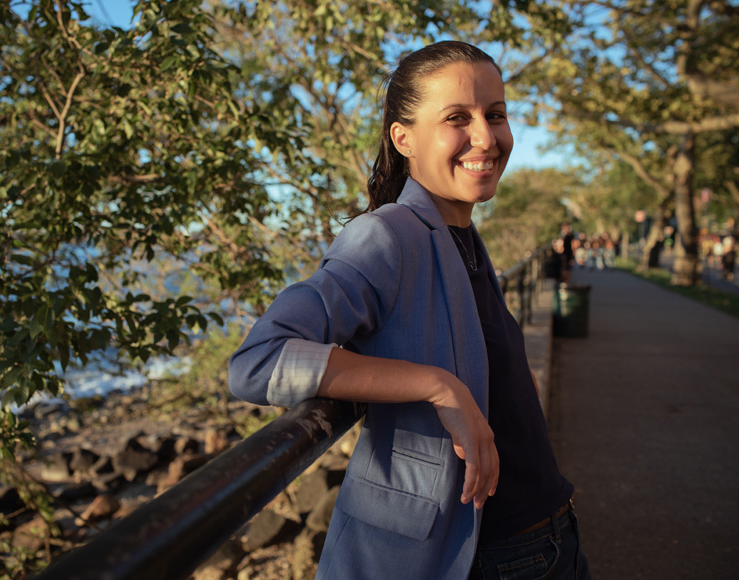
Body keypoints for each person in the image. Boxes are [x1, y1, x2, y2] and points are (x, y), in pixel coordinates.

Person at [229, 41, 590, 580]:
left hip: (553, 531)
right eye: (456, 118)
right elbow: (259, 360)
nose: (486, 137)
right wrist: (438, 385)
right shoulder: (388, 236)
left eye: (496, 115)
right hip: (496, 557)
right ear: (404, 139)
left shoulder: (461, 235)